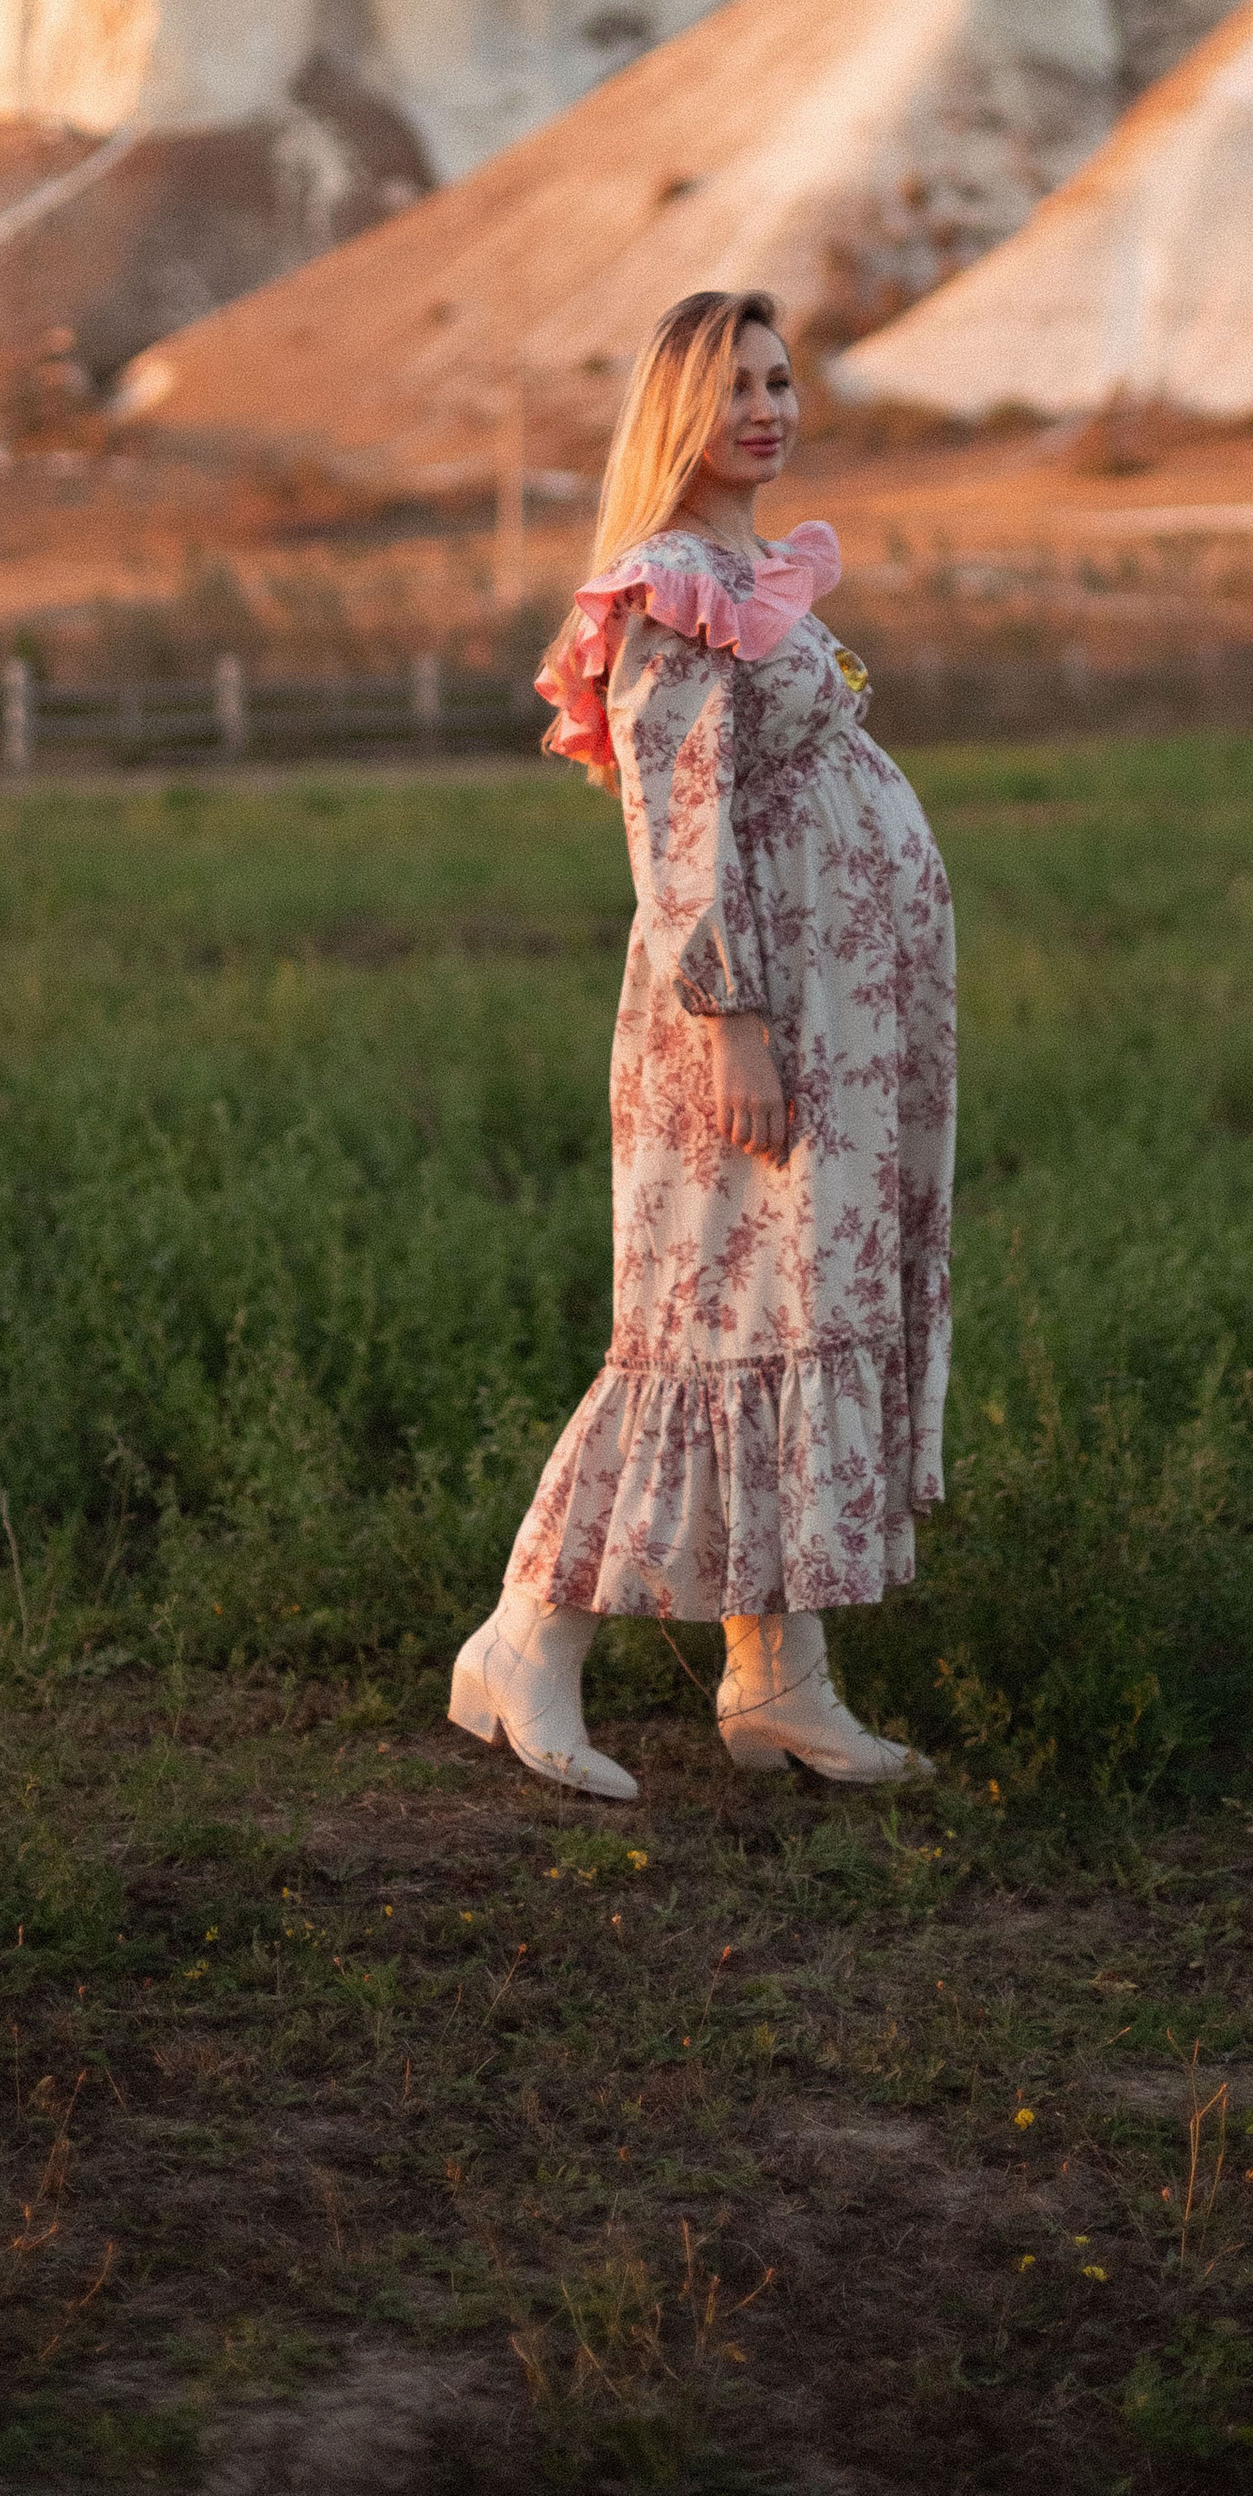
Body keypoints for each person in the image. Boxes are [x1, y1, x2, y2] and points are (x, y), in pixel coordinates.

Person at [450, 289, 956, 1797]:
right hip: (745, 1023)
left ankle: (776, 1678)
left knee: (793, 1318)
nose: (769, 408)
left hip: (842, 1028)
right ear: (678, 407)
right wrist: (731, 1016)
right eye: (735, 384)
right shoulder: (669, 588)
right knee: (696, 1325)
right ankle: (526, 1639)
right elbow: (674, 824)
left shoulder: (758, 569)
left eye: (783, 380)